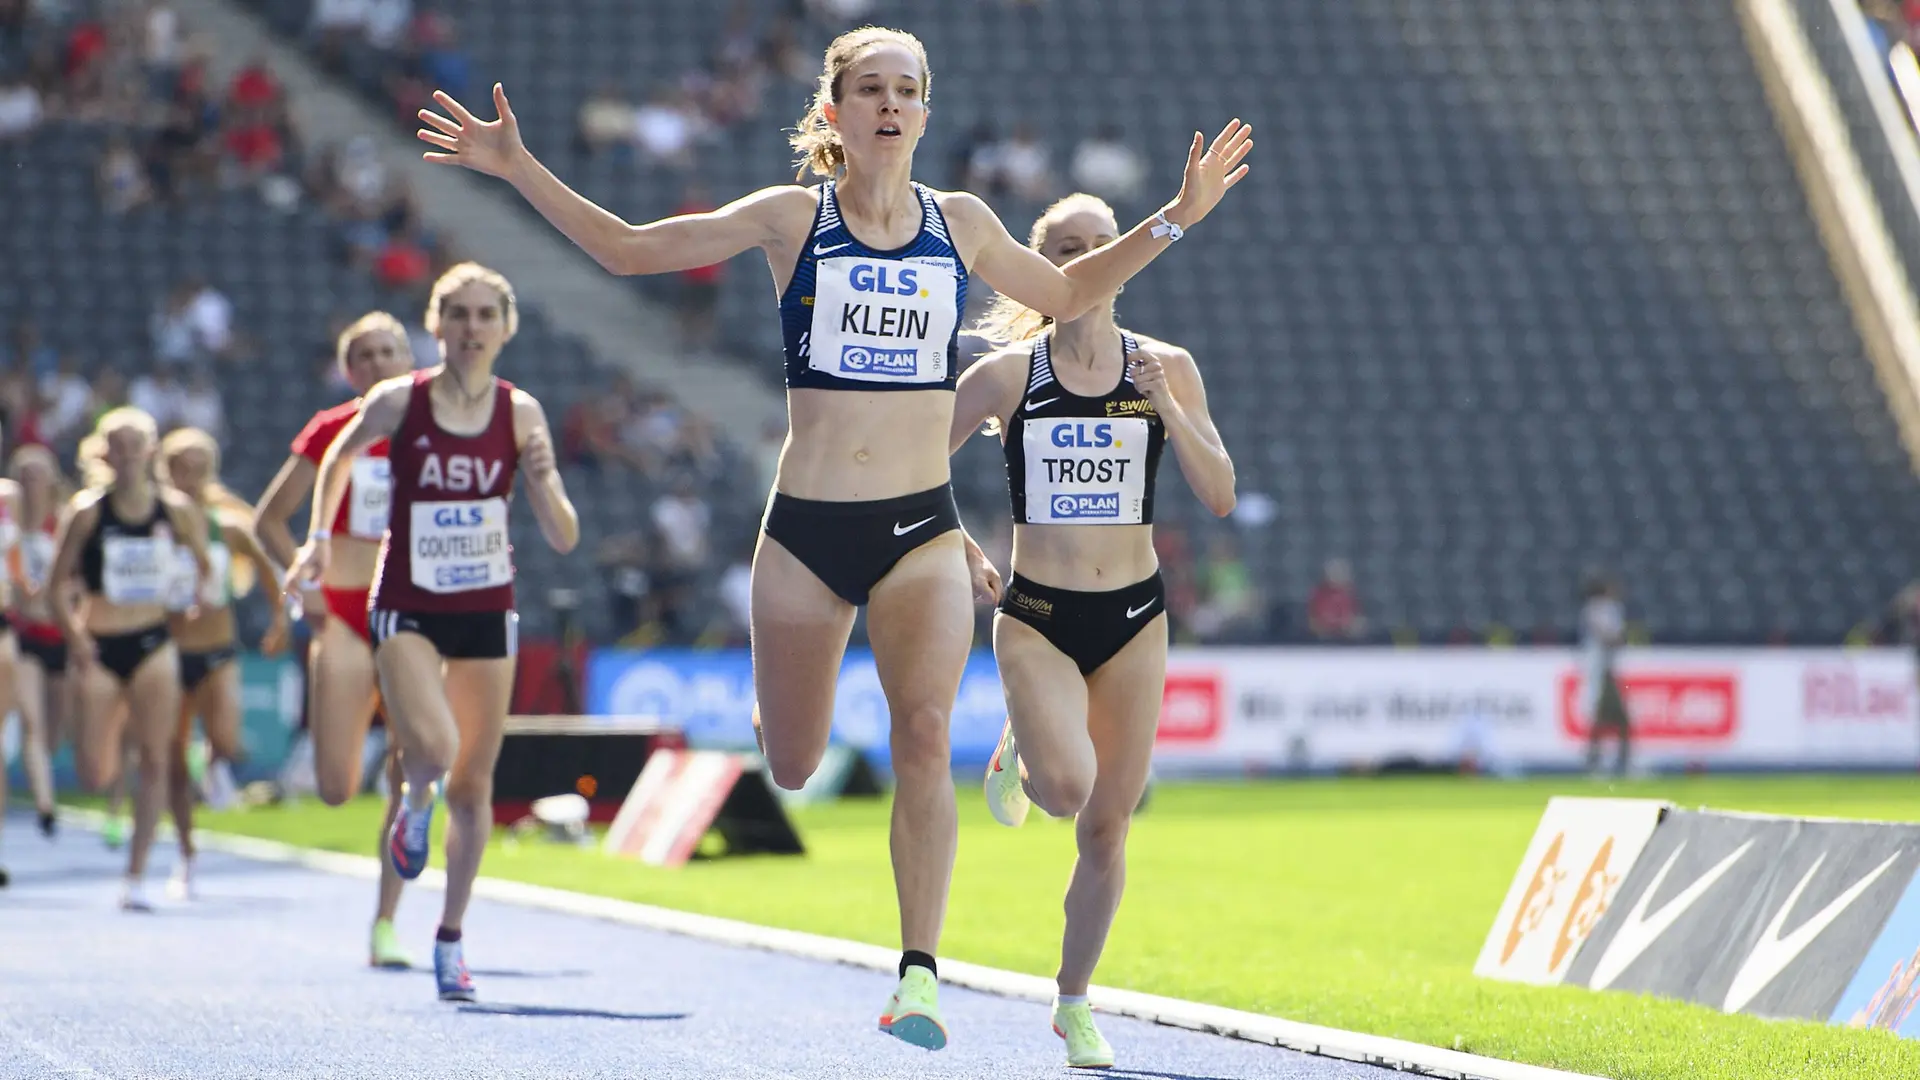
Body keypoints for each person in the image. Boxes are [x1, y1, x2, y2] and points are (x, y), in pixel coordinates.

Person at [413, 26, 1251, 1046]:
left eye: (908, 89)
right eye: (870, 89)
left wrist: (1175, 217)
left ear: (925, 114)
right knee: (799, 763)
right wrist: (513, 164)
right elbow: (630, 249)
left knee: (925, 734)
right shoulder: (789, 219)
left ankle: (918, 976)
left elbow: (1071, 292)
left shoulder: (966, 224)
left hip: (920, 533)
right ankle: (782, 717)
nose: (890, 104)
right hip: (808, 532)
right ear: (833, 114)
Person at [949, 193, 1237, 1069]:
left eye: (1098, 247)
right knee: (1067, 791)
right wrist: (960, 545)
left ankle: (1074, 1002)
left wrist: (1169, 409)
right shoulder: (1004, 376)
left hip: (1134, 617)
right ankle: (1030, 747)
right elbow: (911, 466)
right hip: (1037, 615)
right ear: (1041, 270)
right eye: (1064, 250)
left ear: (1124, 258)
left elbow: (1220, 492)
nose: (1083, 262)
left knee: (1108, 824)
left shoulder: (1165, 366)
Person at [284, 263, 579, 1002]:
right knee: (438, 751)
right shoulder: (397, 401)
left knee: (475, 784)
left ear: (506, 329)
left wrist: (540, 479)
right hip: (407, 602)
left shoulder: (521, 414)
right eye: (458, 314)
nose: (472, 328)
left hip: (486, 604)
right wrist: (318, 538)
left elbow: (565, 535)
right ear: (437, 326)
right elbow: (339, 456)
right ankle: (414, 806)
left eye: (486, 315)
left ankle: (450, 938)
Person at [254, 311, 416, 967]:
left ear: (408, 358)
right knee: (335, 786)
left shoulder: (437, 426)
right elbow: (267, 522)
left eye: (388, 352)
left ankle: (386, 923)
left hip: (412, 609)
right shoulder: (329, 431)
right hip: (343, 610)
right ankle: (382, 779)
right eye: (365, 356)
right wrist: (305, 585)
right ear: (350, 372)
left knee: (413, 771)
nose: (378, 364)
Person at [49, 408, 212, 910]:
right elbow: (56, 588)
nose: (125, 456)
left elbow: (205, 568)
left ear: (150, 452)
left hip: (152, 642)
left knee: (156, 758)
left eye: (133, 445)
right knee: (94, 772)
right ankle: (111, 745)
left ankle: (136, 874)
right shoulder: (87, 512)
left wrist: (191, 599)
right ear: (103, 453)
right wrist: (75, 637)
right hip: (99, 647)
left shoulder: (176, 510)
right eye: (115, 446)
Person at [155, 427, 289, 900]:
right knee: (171, 761)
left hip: (216, 649)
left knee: (228, 740)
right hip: (167, 652)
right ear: (165, 469)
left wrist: (280, 620)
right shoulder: (153, 524)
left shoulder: (226, 526)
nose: (188, 476)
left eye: (197, 467)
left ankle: (210, 758)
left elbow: (272, 569)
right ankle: (187, 855)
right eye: (179, 466)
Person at [6, 444, 71, 847]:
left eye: (39, 474)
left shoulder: (64, 523)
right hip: (24, 635)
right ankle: (46, 805)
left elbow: (81, 579)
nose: (32, 483)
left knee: (54, 730)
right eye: (24, 475)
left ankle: (41, 779)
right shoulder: (9, 527)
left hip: (60, 635)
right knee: (32, 719)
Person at [1580, 573, 1631, 777]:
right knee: (1609, 719)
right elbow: (1607, 636)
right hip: (1601, 671)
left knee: (1609, 720)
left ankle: (1604, 762)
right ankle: (1603, 763)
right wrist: (1618, 638)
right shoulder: (1598, 609)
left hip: (1608, 669)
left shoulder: (1600, 609)